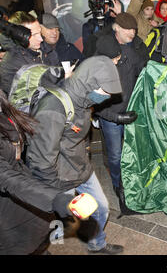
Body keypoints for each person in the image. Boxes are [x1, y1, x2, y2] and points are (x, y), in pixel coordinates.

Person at [25, 56, 126, 254]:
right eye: (104, 91)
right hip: (59, 176)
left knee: (101, 208)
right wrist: (55, 195)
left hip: (80, 166)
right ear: (89, 83)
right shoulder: (52, 108)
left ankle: (97, 246)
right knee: (51, 225)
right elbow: (41, 158)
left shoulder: (83, 97)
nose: (106, 96)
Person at [0, 89, 77, 254]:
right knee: (19, 243)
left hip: (23, 188)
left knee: (38, 237)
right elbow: (5, 177)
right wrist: (55, 199)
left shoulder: (4, 108)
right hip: (9, 204)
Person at [93, 13, 148, 195]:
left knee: (132, 152)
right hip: (111, 116)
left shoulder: (131, 50)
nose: (132, 32)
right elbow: (92, 98)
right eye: (127, 29)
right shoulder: (102, 53)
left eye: (134, 29)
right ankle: (118, 186)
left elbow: (145, 71)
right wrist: (114, 116)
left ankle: (132, 182)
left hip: (130, 111)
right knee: (115, 154)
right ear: (116, 28)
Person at [0, 11, 61, 95]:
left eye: (39, 33)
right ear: (19, 36)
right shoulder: (10, 64)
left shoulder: (46, 49)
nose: (41, 39)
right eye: (34, 34)